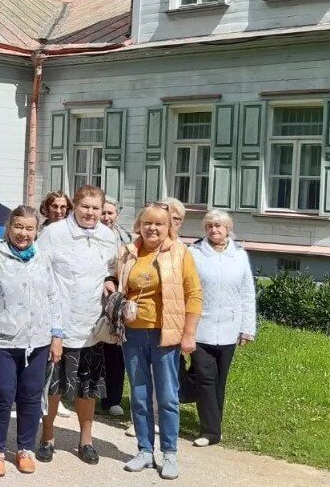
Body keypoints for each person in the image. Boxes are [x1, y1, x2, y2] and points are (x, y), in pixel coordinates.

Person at [0, 206, 63, 477]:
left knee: (31, 396)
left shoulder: (43, 259)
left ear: (37, 231)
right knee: (1, 395)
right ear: (9, 227)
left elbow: (53, 297)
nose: (23, 233)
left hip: (37, 341)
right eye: (18, 227)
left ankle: (25, 448)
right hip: (2, 341)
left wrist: (57, 334)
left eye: (29, 228)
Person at [116, 204, 203, 480]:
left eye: (159, 224)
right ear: (139, 225)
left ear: (169, 228)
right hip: (132, 334)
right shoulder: (128, 252)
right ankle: (144, 450)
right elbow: (117, 282)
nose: (152, 228)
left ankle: (169, 453)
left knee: (167, 396)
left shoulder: (180, 253)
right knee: (139, 395)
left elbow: (194, 294)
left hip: (166, 334)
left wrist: (189, 333)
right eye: (147, 223)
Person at [35, 185, 119, 465]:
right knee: (53, 385)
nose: (91, 213)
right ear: (75, 207)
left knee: (88, 386)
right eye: (85, 207)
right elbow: (39, 272)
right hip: (57, 322)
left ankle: (86, 439)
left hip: (91, 324)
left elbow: (114, 270)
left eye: (96, 208)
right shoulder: (53, 234)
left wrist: (112, 281)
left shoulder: (108, 237)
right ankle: (47, 437)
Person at [188, 209, 255, 448]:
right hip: (200, 327)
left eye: (219, 226)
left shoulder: (239, 255)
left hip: (229, 327)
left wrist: (248, 328)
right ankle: (211, 431)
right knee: (205, 378)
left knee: (219, 381)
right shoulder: (194, 253)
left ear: (228, 229)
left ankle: (214, 425)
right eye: (209, 226)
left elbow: (247, 293)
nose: (214, 230)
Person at [100, 196, 131, 418]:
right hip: (94, 300)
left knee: (115, 351)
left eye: (110, 213)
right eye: (104, 212)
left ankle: (113, 398)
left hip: (117, 301)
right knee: (94, 351)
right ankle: (89, 393)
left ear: (117, 215)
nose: (106, 217)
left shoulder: (127, 239)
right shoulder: (89, 236)